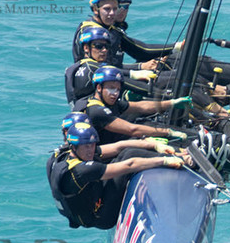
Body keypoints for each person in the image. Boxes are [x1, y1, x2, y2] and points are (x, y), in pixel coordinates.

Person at [47, 118, 190, 229]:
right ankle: (186, 161)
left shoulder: (71, 153)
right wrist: (164, 161)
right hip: (101, 217)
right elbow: (130, 164)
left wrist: (153, 145)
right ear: (74, 147)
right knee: (129, 156)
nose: (91, 150)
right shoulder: (81, 171)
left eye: (92, 145)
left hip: (94, 197)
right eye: (86, 147)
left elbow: (118, 147)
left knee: (125, 152)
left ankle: (179, 152)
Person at [74, 65, 191, 141]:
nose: (115, 93)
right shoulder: (96, 110)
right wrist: (167, 132)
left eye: (118, 89)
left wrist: (171, 103)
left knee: (148, 125)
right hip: (104, 156)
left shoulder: (110, 103)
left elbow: (141, 106)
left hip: (116, 142)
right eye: (111, 88)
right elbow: (132, 129)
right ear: (99, 88)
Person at [63, 25, 158, 102]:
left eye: (106, 46)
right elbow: (127, 82)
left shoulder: (82, 66)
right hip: (98, 118)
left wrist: (137, 70)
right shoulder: (93, 68)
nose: (104, 50)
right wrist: (164, 94)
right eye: (99, 46)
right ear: (86, 48)